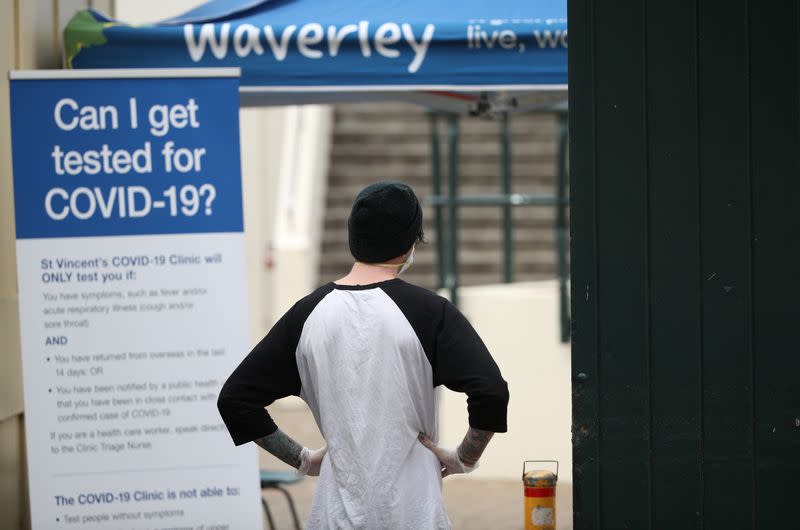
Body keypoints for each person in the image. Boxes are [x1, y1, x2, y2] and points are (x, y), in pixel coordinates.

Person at [218, 181, 509, 529]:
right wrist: (463, 457)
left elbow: (235, 399)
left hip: (333, 516)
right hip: (413, 514)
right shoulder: (430, 313)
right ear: (410, 243)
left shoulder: (307, 315)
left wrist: (303, 460)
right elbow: (490, 391)